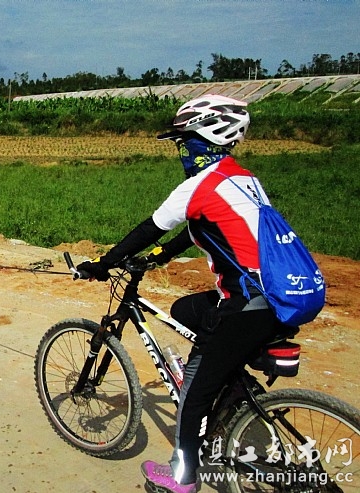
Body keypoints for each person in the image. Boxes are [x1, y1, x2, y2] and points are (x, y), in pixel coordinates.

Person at [75, 94, 281, 493]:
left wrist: (103, 263)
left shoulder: (198, 185)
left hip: (249, 303)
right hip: (279, 295)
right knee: (185, 310)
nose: (181, 151)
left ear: (205, 139)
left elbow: (149, 228)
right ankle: (230, 387)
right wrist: (161, 256)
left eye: (184, 142)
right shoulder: (243, 179)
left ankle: (182, 477)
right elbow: (201, 228)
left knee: (192, 392)